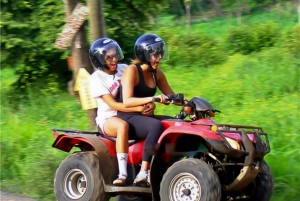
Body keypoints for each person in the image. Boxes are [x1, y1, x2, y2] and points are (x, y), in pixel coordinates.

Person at [117, 33, 178, 187]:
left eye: (160, 53)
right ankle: (144, 173)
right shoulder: (132, 70)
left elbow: (172, 96)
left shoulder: (157, 73)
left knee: (175, 123)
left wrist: (191, 103)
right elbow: (127, 100)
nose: (159, 57)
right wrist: (154, 99)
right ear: (144, 54)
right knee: (156, 126)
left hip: (144, 116)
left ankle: (168, 165)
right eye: (154, 53)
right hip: (127, 117)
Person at [89, 38, 147, 186]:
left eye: (115, 55)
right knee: (122, 126)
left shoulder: (124, 68)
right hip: (109, 118)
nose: (114, 59)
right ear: (99, 59)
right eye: (109, 57)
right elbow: (113, 104)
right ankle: (122, 174)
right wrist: (139, 108)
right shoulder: (96, 78)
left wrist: (148, 104)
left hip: (129, 113)